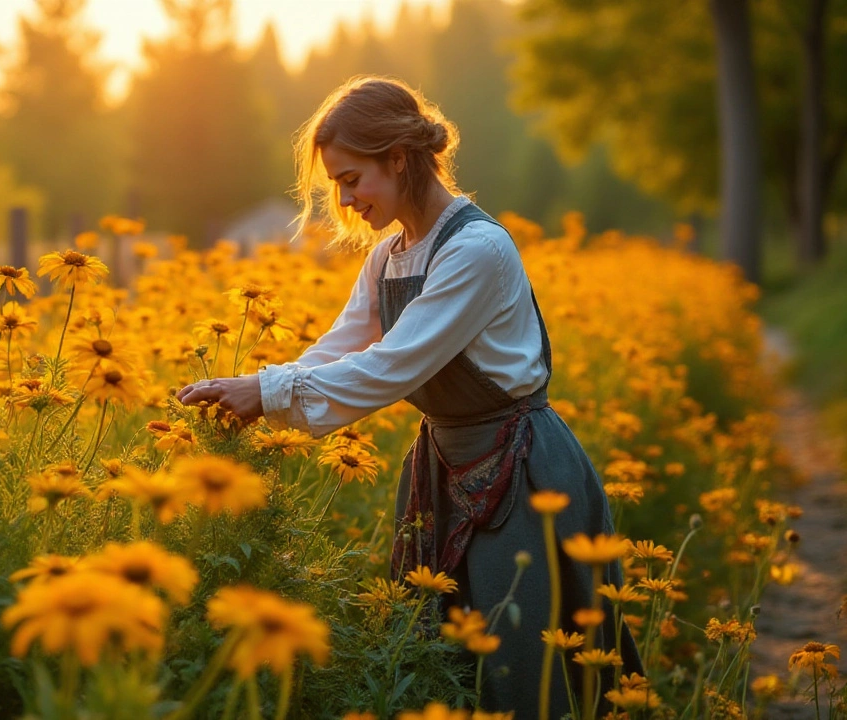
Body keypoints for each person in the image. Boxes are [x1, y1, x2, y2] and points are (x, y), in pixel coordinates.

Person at [175, 75, 642, 718]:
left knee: (518, 662)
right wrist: (255, 397)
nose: (345, 200)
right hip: (443, 467)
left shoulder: (477, 248)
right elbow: (339, 348)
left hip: (520, 473)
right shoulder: (389, 256)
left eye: (350, 179)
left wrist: (268, 392)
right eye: (336, 184)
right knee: (436, 652)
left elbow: (394, 365)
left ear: (398, 159)